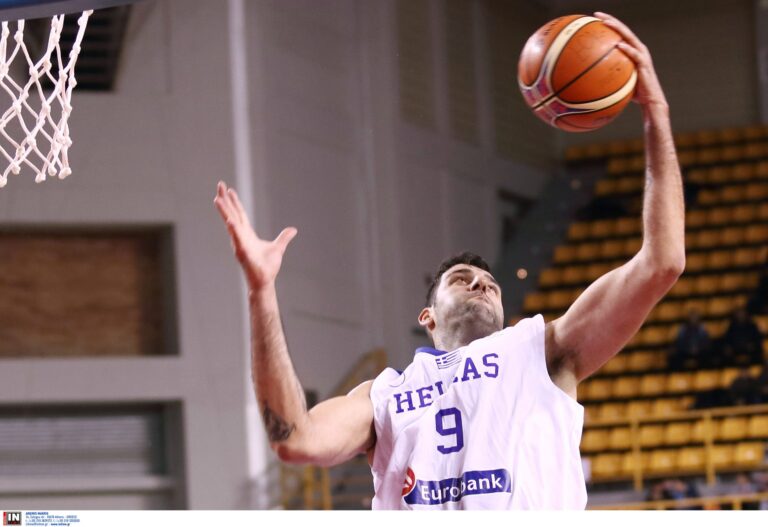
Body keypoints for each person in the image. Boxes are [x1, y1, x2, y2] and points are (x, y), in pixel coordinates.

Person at [213, 13, 685, 510]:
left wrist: (655, 112)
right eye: (462, 279)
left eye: (490, 284)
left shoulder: (539, 352)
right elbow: (296, 440)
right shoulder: (384, 394)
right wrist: (261, 291)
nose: (481, 285)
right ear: (428, 316)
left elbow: (663, 262)